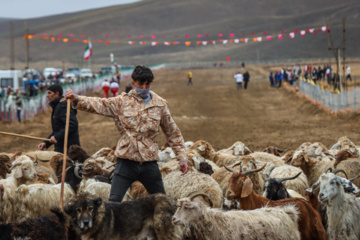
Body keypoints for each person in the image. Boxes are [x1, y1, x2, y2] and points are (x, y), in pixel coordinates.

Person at [65, 65, 188, 203]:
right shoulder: (122, 102)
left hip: (149, 162)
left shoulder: (160, 104)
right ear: (133, 83)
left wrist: (182, 157)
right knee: (114, 202)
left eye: (147, 84)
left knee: (163, 202)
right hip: (126, 162)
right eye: (141, 83)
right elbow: (99, 104)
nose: (144, 87)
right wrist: (76, 98)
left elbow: (173, 132)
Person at [38, 84, 80, 153]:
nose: (47, 95)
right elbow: (58, 130)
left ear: (57, 94)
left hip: (70, 150)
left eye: (49, 93)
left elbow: (72, 125)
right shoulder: (57, 106)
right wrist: (46, 143)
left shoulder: (63, 106)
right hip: (62, 148)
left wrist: (56, 137)